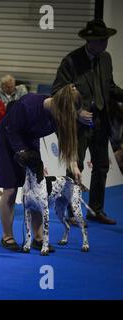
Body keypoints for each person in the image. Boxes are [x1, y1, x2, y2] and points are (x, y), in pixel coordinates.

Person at [52, 19, 123, 225]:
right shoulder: (71, 61)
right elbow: (57, 93)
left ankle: (96, 210)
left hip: (101, 122)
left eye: (106, 40)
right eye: (100, 40)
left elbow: (109, 88)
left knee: (101, 166)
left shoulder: (106, 59)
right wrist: (77, 112)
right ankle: (71, 213)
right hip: (78, 125)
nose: (104, 44)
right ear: (89, 40)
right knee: (76, 167)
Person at [0, 85, 81, 251]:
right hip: (7, 140)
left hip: (31, 142)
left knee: (38, 189)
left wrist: (74, 165)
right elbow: (11, 129)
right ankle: (7, 236)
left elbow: (68, 140)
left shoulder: (61, 115)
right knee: (10, 189)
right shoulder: (29, 104)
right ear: (57, 104)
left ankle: (38, 237)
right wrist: (22, 154)